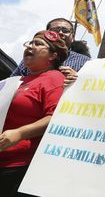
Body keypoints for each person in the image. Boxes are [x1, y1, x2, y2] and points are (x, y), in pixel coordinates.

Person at [0, 30, 68, 196]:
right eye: (30, 43)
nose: (30, 46)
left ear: (53, 55)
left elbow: (56, 118)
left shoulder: (54, 78)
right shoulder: (16, 81)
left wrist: (19, 133)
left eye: (38, 44)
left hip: (21, 166)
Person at [11, 18, 90, 88]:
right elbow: (11, 83)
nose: (61, 33)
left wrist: (79, 79)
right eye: (55, 30)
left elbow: (93, 87)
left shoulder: (85, 61)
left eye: (65, 31)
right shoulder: (31, 57)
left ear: (72, 35)